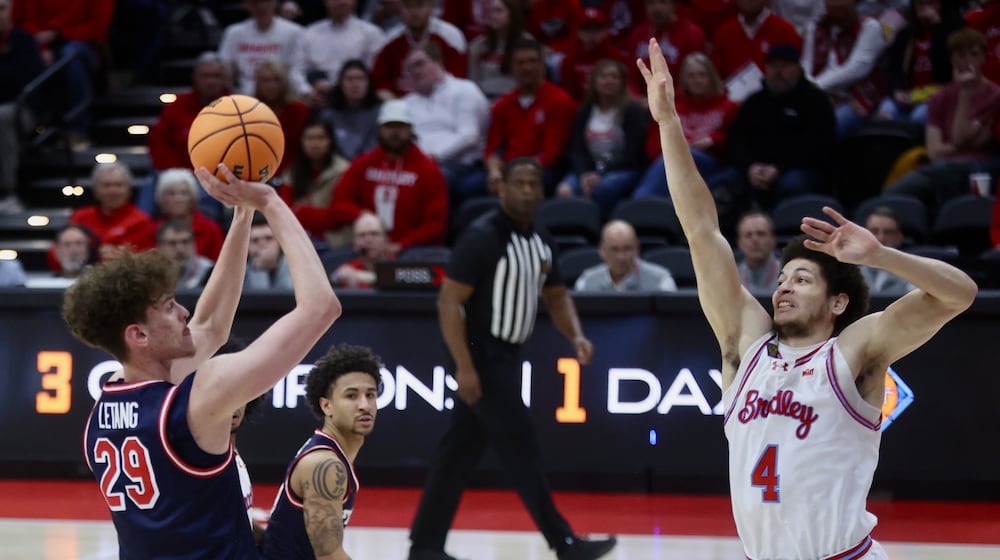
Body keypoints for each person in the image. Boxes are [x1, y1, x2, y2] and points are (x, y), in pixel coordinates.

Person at [638, 36, 977, 560]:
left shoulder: (854, 350)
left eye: (802, 279)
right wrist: (669, 125)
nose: (783, 287)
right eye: (782, 278)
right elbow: (702, 230)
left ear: (838, 303)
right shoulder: (744, 344)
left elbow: (960, 295)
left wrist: (883, 256)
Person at [69, 161, 341, 558]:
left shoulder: (103, 411)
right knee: (313, 479)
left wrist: (242, 215)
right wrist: (269, 200)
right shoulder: (199, 397)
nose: (183, 313)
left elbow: (212, 325)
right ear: (138, 335)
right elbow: (321, 307)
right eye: (167, 308)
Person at [408, 157, 617, 560]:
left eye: (532, 184)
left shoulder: (541, 239)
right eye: (517, 183)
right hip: (480, 355)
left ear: (541, 190)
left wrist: (576, 335)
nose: (525, 191)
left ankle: (424, 546)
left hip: (506, 354)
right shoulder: (482, 236)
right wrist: (464, 368)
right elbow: (449, 301)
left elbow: (556, 295)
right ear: (500, 187)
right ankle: (565, 542)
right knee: (521, 447)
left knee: (459, 451)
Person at [260, 343, 381, 559]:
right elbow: (329, 555)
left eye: (370, 395)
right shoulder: (324, 464)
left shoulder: (332, 454)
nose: (365, 405)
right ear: (327, 406)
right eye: (351, 396)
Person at [884, 29, 1000, 211]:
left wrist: (966, 94)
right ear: (952, 59)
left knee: (939, 176)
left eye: (974, 54)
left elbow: (964, 139)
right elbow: (935, 152)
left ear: (984, 58)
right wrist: (961, 146)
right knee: (927, 179)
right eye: (961, 55)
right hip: (943, 167)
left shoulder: (995, 96)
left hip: (981, 167)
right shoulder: (940, 97)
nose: (968, 61)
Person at [555, 59, 649, 220]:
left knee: (605, 188)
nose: (609, 81)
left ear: (622, 82)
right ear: (594, 82)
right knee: (565, 190)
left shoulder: (632, 110)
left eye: (614, 77)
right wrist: (584, 174)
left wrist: (600, 174)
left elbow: (632, 153)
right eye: (603, 76)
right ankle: (578, 232)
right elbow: (577, 149)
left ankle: (605, 229)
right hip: (589, 169)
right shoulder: (585, 111)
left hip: (623, 169)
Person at [281, 118, 353, 247]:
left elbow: (337, 216)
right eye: (309, 138)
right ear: (302, 141)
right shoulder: (292, 172)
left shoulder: (344, 170)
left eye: (320, 138)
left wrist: (302, 211)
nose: (315, 143)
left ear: (330, 140)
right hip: (298, 238)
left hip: (334, 241)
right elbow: (283, 213)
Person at [217, 0, 305, 96]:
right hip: (244, 97)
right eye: (255, 2)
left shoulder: (295, 32)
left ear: (275, 2)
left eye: (265, 1)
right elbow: (225, 70)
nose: (261, 6)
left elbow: (296, 71)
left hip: (281, 95)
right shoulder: (234, 32)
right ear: (246, 4)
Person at [574, 220, 678, 292]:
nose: (621, 257)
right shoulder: (586, 282)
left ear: (637, 248)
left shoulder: (661, 281)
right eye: (614, 249)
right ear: (602, 250)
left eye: (627, 249)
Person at [151, 168, 224, 261]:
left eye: (184, 193)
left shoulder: (210, 229)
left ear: (193, 197)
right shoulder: (151, 230)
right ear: (162, 199)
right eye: (171, 194)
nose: (178, 199)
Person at [321, 59, 382, 160]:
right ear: (341, 83)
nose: (355, 84)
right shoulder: (328, 116)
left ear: (368, 83)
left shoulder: (381, 113)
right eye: (350, 79)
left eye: (360, 79)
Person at [860, 206, 915, 295]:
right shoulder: (848, 271)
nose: (880, 238)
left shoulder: (912, 274)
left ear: (899, 237)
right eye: (874, 231)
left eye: (888, 232)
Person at [331, 212, 390, 289]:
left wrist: (361, 276)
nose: (368, 240)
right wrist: (337, 276)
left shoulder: (399, 268)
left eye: (374, 234)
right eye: (362, 235)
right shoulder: (348, 269)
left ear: (385, 240)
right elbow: (332, 280)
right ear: (354, 243)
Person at [156, 219, 215, 290]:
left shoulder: (209, 271)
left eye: (185, 242)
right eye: (172, 243)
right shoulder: (153, 274)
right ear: (160, 246)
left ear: (194, 243)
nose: (180, 249)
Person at [735, 210, 783, 294]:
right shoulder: (731, 278)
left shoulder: (788, 276)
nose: (755, 240)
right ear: (740, 243)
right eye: (748, 235)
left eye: (761, 234)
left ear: (772, 240)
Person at [246, 213, 294, 290]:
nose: (262, 244)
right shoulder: (238, 273)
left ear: (279, 242)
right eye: (255, 240)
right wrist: (258, 268)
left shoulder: (296, 268)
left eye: (269, 238)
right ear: (247, 246)